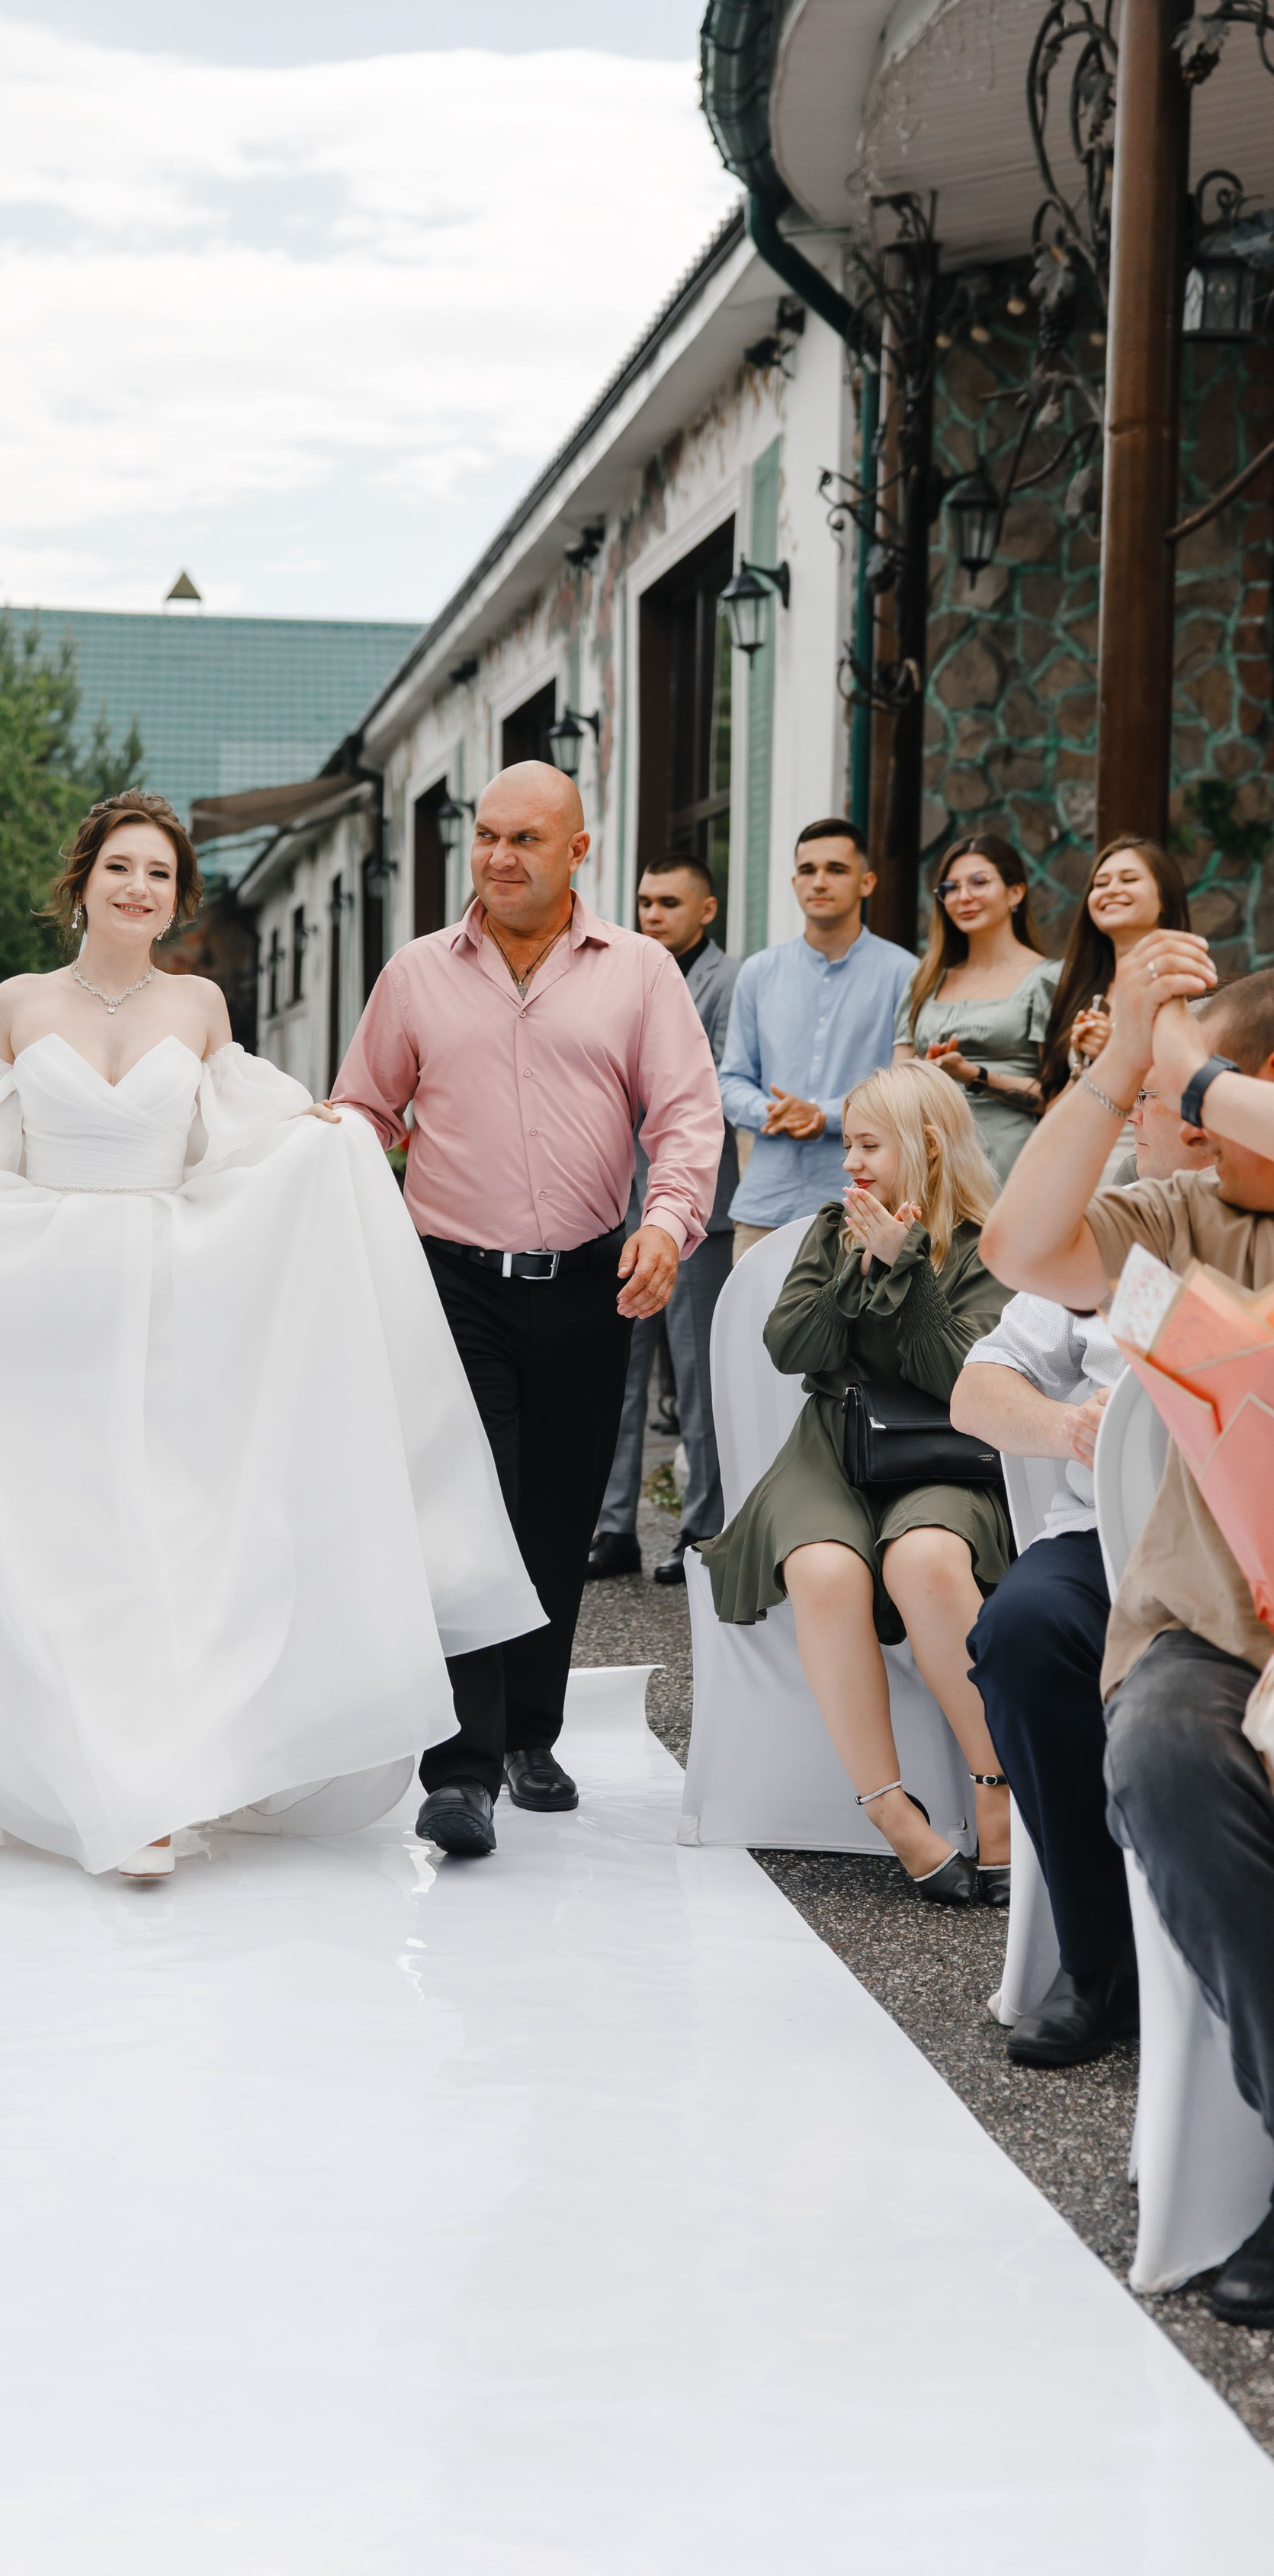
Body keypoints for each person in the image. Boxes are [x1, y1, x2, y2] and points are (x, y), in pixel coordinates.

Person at [0, 792, 543, 1883]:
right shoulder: (21, 1003)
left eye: (162, 876)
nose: (141, 888)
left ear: (176, 900)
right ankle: (72, 1771)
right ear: (84, 878)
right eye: (123, 867)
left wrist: (322, 1143)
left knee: (165, 1538)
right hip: (44, 1292)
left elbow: (239, 1139)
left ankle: (161, 1782)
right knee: (60, 1538)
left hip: (170, 1290)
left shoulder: (200, 1007)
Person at [332, 764, 724, 1858]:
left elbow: (687, 1117)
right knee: (470, 1514)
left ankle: (530, 1737)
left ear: (578, 851)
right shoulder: (415, 975)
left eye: (526, 840)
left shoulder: (641, 972)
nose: (501, 857)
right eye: (487, 837)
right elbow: (361, 1108)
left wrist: (669, 1223)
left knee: (554, 1519)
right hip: (451, 1285)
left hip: (593, 1282)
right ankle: (459, 1772)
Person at [982, 943, 1274, 2327]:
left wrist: (1199, 1069)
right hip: (1214, 1635)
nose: (1179, 1117)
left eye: (1205, 1094)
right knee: (1156, 1750)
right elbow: (1020, 1248)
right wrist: (1117, 1067)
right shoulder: (1184, 1226)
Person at [701, 1061, 1014, 1903]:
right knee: (823, 1568)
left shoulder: (991, 1245)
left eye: (868, 1145)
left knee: (925, 1558)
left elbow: (958, 1381)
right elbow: (791, 1349)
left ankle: (998, 1796)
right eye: (850, 1143)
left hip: (941, 1452)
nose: (852, 1163)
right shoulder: (832, 1229)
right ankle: (890, 1812)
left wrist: (908, 1272)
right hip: (830, 1448)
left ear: (928, 1148)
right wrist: (855, 1271)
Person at [951, 1078, 1210, 2064]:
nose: (1167, 1118)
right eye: (1147, 1097)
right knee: (1020, 1633)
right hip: (1102, 1541)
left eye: (1192, 1099)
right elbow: (979, 1388)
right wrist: (1070, 1429)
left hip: (1236, 1552)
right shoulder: (1097, 1243)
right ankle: (1101, 1957)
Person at [588, 851, 740, 1583]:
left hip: (697, 1217)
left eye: (669, 904)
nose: (652, 915)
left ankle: (699, 1530)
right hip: (618, 1207)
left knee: (697, 1379)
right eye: (645, 902)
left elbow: (696, 1088)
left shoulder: (728, 983)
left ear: (705, 911)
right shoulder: (620, 976)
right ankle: (611, 1528)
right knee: (616, 1377)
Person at [717, 818, 918, 1257]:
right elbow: (730, 1080)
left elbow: (905, 1088)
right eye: (808, 870)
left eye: (836, 869)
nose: (819, 881)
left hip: (865, 1207)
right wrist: (775, 1111)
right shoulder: (758, 971)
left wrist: (824, 1116)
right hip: (765, 1206)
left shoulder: (905, 973)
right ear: (794, 882)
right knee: (755, 1327)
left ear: (866, 882)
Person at [894, 832, 1057, 1181]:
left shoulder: (1047, 979)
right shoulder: (924, 979)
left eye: (979, 882)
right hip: (928, 1160)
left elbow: (1056, 1097)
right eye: (950, 887)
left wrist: (974, 1075)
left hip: (1010, 1161)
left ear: (1016, 892)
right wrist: (925, 1072)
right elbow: (895, 1086)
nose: (963, 897)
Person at [1037, 832, 1191, 1108]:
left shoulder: (1187, 986)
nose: (1111, 890)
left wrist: (1115, 1051)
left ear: (1165, 898)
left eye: (1129, 879)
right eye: (1100, 883)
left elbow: (1192, 1090)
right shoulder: (1078, 989)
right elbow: (1053, 1113)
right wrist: (1083, 1068)